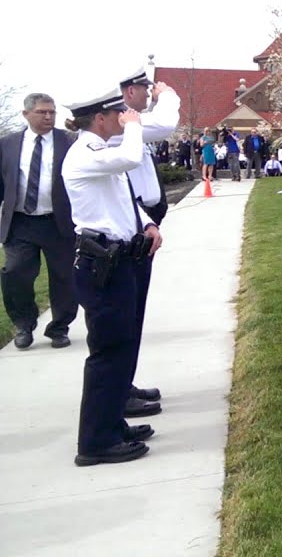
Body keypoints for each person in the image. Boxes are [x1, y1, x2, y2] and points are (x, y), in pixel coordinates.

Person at [62, 89, 163, 466]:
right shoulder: (87, 154)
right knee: (108, 353)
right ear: (100, 119)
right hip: (100, 264)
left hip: (117, 259)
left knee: (121, 347)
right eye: (117, 113)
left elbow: (124, 200)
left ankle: (112, 424)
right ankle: (96, 442)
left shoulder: (100, 154)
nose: (124, 117)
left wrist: (148, 223)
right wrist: (135, 126)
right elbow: (130, 156)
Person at [114, 69, 178, 417]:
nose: (149, 92)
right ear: (127, 93)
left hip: (143, 224)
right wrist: (167, 94)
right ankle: (118, 391)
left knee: (133, 311)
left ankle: (125, 383)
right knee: (126, 313)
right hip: (130, 231)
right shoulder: (122, 128)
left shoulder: (130, 126)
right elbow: (166, 124)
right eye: (144, 88)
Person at [1, 93, 77, 350]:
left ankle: (60, 327)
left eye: (52, 112)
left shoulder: (68, 141)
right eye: (42, 112)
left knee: (65, 276)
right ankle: (23, 324)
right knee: (14, 273)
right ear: (26, 114)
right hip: (21, 222)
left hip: (59, 221)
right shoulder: (8, 144)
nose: (48, 117)